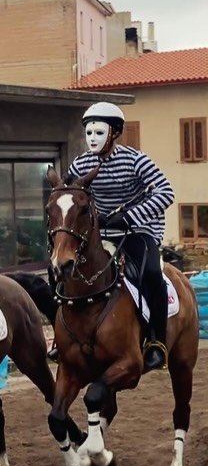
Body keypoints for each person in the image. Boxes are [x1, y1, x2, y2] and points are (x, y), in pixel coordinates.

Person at [68, 101, 175, 372]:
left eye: (98, 132)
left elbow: (166, 193)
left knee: (150, 274)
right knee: (64, 271)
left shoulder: (136, 160)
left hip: (138, 231)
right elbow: (68, 195)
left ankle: (156, 342)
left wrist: (130, 217)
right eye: (89, 133)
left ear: (114, 133)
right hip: (100, 233)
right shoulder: (80, 163)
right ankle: (66, 338)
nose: (92, 138)